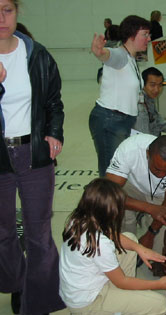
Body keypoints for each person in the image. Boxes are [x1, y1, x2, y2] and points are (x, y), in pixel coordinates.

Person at [0, 0, 65, 314]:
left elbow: (54, 101)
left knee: (38, 232)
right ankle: (16, 282)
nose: (1, 18)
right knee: (3, 230)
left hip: (33, 152)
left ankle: (39, 298)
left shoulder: (37, 55)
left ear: (17, 12)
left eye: (7, 9)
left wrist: (54, 131)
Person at [59, 178, 166, 315]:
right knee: (160, 304)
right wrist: (158, 285)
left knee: (130, 240)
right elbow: (122, 281)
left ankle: (121, 302)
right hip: (89, 302)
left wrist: (140, 249)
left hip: (80, 289)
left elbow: (110, 233)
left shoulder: (78, 218)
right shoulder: (99, 244)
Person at [106, 134, 166, 249]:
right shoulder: (130, 149)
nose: (161, 175)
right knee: (123, 226)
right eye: (157, 168)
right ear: (147, 154)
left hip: (161, 195)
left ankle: (142, 217)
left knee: (161, 242)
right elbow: (109, 195)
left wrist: (150, 234)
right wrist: (149, 208)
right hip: (132, 187)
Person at [89, 15, 151, 176]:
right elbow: (109, 55)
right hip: (110, 121)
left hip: (122, 122)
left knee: (118, 172)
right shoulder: (120, 55)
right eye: (144, 34)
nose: (148, 39)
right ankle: (106, 202)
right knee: (111, 174)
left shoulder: (131, 58)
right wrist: (100, 52)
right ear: (131, 35)